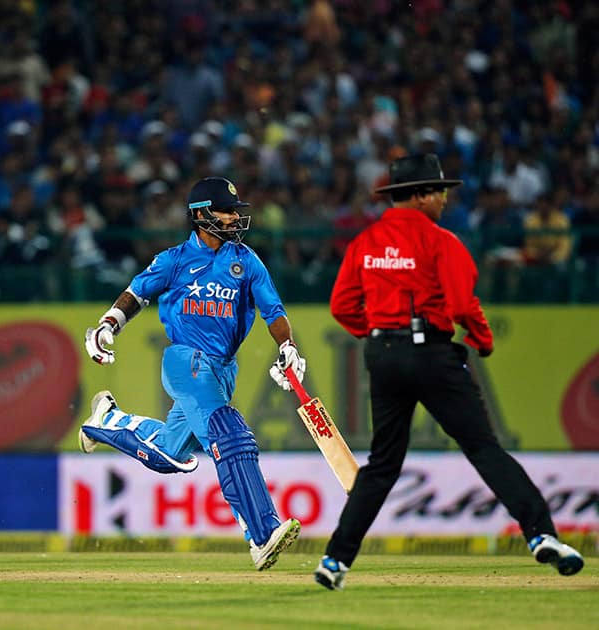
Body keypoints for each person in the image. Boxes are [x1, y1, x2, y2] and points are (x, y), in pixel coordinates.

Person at [314, 154, 584, 590]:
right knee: (483, 449)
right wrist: (482, 338)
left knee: (382, 465)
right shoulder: (442, 242)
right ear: (420, 195)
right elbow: (460, 304)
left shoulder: (365, 242)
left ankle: (334, 560)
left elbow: (342, 305)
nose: (443, 198)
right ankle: (541, 534)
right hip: (431, 355)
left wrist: (382, 335)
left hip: (382, 353)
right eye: (438, 191)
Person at [80, 177, 305, 571]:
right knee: (228, 430)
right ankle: (261, 532)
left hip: (222, 369)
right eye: (226, 211)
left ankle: (107, 420)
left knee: (170, 454)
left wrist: (287, 347)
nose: (235, 218)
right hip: (185, 361)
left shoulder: (246, 261)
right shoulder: (174, 260)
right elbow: (136, 294)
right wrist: (107, 326)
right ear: (201, 214)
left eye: (236, 211)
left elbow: (274, 313)